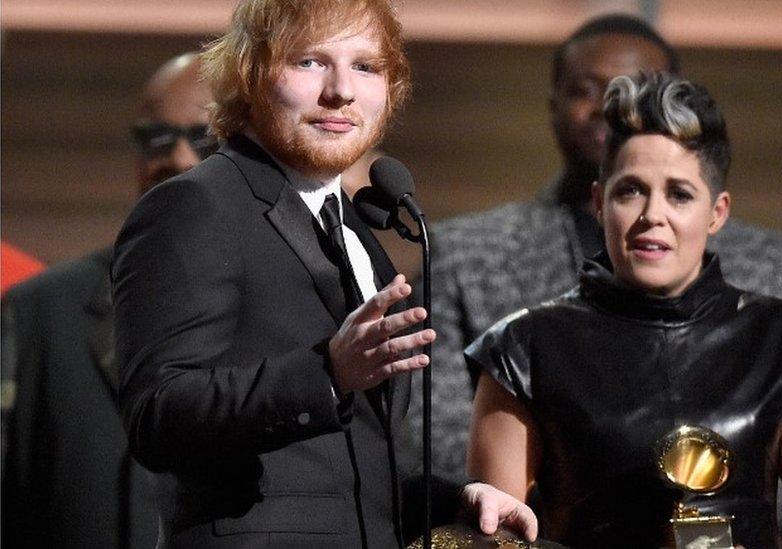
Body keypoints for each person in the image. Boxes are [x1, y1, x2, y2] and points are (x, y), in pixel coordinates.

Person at [112, 1, 535, 547]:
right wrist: (326, 374)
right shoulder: (195, 206)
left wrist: (455, 499)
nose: (341, 91)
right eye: (310, 62)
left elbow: (349, 472)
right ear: (251, 75)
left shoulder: (358, 234)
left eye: (366, 66)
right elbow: (157, 416)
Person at [465, 73, 782, 548]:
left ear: (718, 212)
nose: (653, 215)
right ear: (598, 203)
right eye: (630, 190)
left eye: (680, 194)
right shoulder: (522, 350)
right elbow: (497, 536)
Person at [425, 14, 782, 481]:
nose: (610, 106)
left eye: (635, 86)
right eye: (586, 89)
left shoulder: (763, 262)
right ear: (553, 104)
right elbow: (436, 437)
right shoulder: (466, 252)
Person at [1, 52, 214, 549]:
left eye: (204, 140)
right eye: (157, 138)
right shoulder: (42, 310)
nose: (178, 159)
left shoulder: (299, 299)